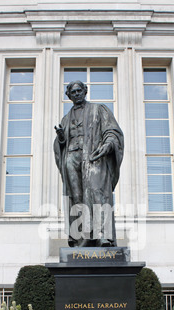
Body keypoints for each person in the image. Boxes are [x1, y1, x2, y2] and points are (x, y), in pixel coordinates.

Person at [54, 80, 124, 247]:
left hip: (93, 157)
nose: (77, 94)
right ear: (69, 96)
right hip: (72, 158)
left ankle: (103, 235)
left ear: (85, 91)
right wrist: (62, 138)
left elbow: (112, 131)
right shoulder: (65, 119)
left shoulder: (98, 110)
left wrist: (108, 145)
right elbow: (59, 145)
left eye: (79, 91)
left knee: (97, 192)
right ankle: (82, 237)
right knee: (76, 196)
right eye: (73, 92)